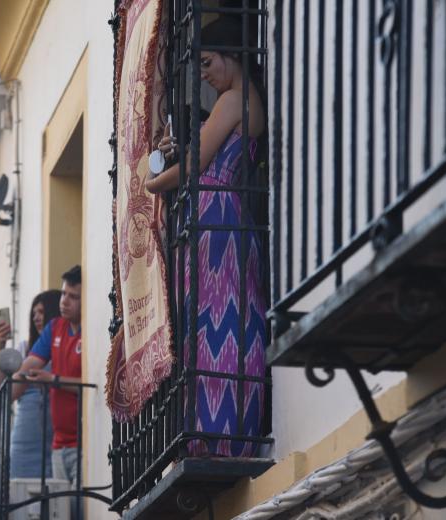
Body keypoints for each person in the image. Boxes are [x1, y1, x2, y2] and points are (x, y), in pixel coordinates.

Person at [145, 17, 267, 458]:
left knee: (210, 324)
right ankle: (228, 426)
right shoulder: (245, 100)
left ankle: (216, 434)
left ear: (233, 57)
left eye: (209, 63)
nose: (205, 74)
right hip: (226, 218)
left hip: (215, 221)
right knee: (233, 317)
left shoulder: (233, 99)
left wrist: (153, 184)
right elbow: (202, 152)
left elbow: (196, 165)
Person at [10, 266, 83, 486]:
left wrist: (53, 380)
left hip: (83, 444)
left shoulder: (91, 329)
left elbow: (95, 384)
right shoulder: (55, 327)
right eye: (63, 294)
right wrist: (0, 399)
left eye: (73, 297)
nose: (65, 301)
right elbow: (28, 366)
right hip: (59, 446)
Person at [0, 290, 61, 478]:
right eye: (34, 313)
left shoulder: (63, 345)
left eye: (42, 312)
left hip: (56, 436)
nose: (36, 317)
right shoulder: (24, 349)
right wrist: (1, 347)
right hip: (26, 437)